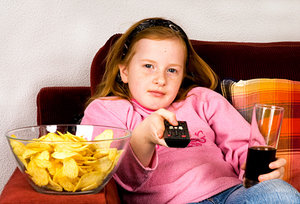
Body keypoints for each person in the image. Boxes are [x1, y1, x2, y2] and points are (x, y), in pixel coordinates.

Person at [81, 17, 300, 203]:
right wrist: (144, 137)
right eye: (148, 66)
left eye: (172, 70)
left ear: (183, 74)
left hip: (233, 194)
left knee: (280, 193)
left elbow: (244, 146)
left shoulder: (202, 99)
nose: (160, 79)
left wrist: (260, 173)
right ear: (125, 71)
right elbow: (117, 175)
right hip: (172, 201)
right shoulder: (105, 110)